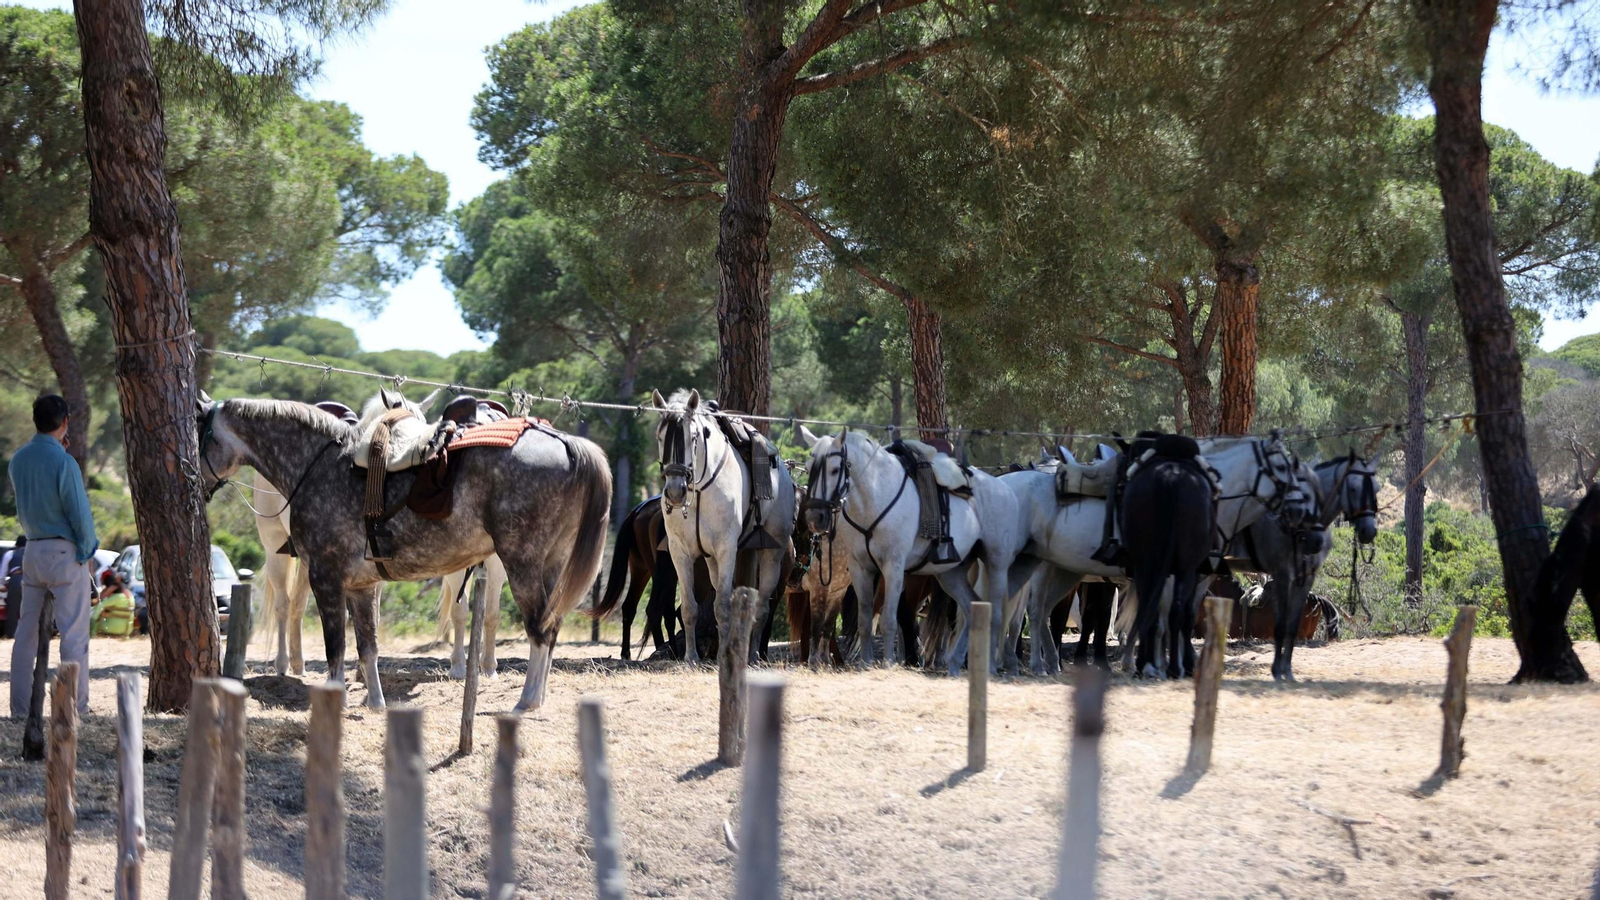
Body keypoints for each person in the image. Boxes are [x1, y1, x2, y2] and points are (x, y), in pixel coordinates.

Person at [8, 396, 97, 717]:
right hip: (64, 552)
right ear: (65, 422)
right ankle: (75, 709)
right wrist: (87, 551)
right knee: (73, 635)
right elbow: (80, 515)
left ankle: (19, 711)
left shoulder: (18, 459)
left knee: (26, 636)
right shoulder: (64, 462)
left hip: (32, 549)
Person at [2, 535, 24, 639]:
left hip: (15, 581)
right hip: (32, 581)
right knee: (32, 609)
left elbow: (2, 574)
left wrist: (3, 584)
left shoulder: (10, 554)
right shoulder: (34, 553)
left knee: (13, 609)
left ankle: (11, 633)